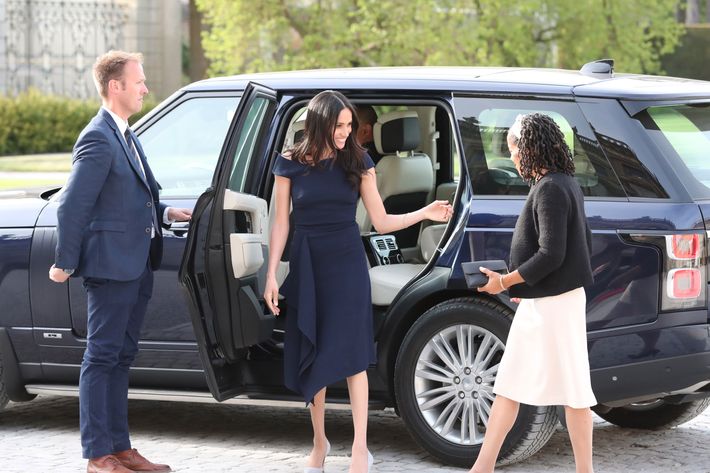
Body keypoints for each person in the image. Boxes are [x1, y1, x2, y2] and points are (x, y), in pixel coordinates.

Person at [264, 91, 452, 473]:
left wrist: (425, 212)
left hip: (347, 263)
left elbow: (381, 221)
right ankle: (319, 444)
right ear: (319, 123)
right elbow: (281, 222)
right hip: (308, 261)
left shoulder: (359, 160)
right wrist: (270, 274)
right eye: (340, 125)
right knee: (310, 352)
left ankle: (359, 450)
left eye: (350, 125)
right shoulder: (290, 164)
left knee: (353, 358)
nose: (347, 132)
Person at [49, 50, 192, 473]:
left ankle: (121, 449)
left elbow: (132, 195)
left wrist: (165, 213)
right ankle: (98, 456)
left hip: (136, 263)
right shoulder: (97, 136)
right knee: (101, 357)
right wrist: (65, 262)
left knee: (121, 356)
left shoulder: (125, 133)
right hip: (110, 267)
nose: (146, 88)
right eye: (140, 81)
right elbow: (71, 206)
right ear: (116, 86)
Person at [470, 113, 596, 473]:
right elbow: (578, 246)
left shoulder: (551, 188)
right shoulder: (565, 182)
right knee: (530, 385)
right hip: (551, 301)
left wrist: (507, 282)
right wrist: (530, 285)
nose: (511, 158)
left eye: (513, 150)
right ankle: (484, 466)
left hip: (552, 307)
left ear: (529, 148)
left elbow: (551, 253)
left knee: (559, 390)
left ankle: (484, 467)